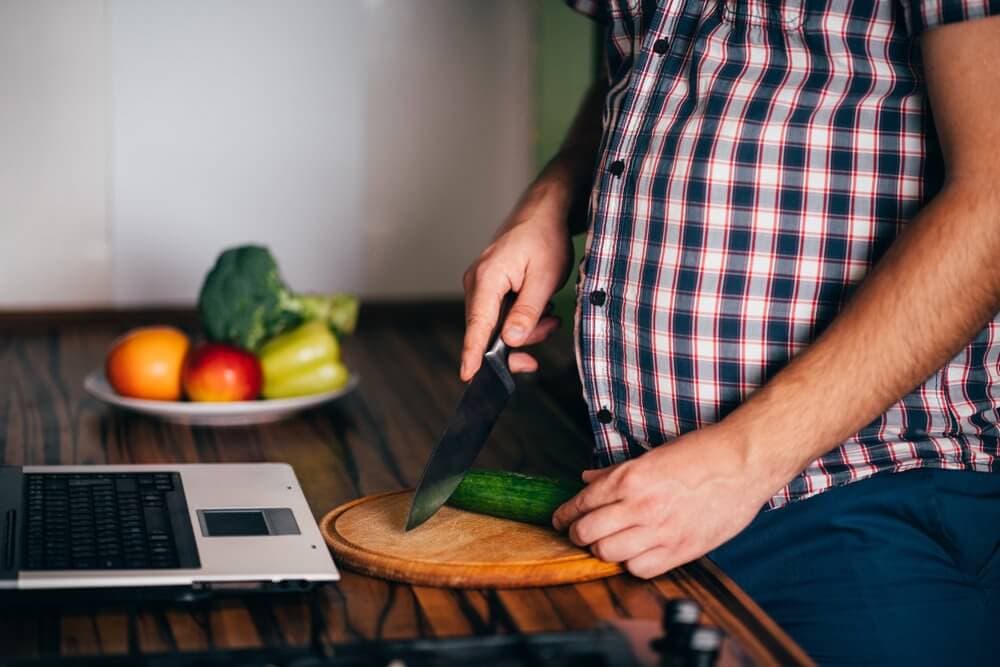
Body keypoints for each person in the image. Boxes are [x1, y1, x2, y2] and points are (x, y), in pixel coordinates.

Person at [461, 2, 1000, 665]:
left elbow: (993, 202)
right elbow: (648, 58)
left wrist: (743, 462)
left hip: (850, 497)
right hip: (654, 494)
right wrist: (555, 194)